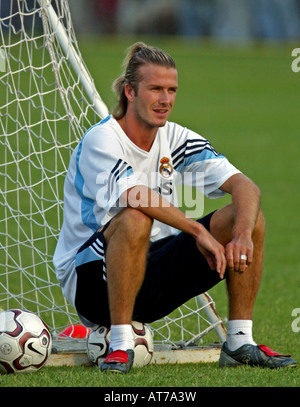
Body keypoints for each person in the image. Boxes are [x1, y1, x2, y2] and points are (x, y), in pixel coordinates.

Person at [53, 42, 296, 373]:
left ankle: (239, 340)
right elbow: (135, 196)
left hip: (151, 272)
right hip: (93, 280)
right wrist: (197, 230)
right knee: (137, 216)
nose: (165, 99)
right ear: (129, 91)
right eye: (155, 89)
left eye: (171, 90)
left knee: (247, 217)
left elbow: (245, 186)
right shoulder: (102, 139)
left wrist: (241, 236)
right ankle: (122, 344)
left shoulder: (176, 138)